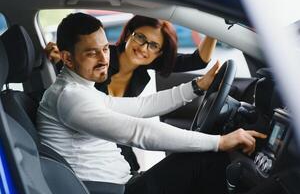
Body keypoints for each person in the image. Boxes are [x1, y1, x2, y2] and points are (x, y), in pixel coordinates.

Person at [37, 13, 266, 194]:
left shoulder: (80, 90)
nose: (103, 58)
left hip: (121, 183)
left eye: (105, 49)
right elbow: (140, 131)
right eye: (91, 53)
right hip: (111, 189)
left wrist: (196, 87)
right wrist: (219, 142)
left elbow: (140, 107)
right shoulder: (70, 98)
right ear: (67, 58)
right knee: (206, 161)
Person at [45, 14, 217, 171]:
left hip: (114, 145)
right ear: (128, 35)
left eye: (153, 45)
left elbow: (198, 61)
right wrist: (60, 58)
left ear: (159, 53)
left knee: (136, 166)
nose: (143, 48)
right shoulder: (88, 73)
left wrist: (216, 26)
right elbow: (140, 130)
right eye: (140, 37)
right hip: (95, 146)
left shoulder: (145, 63)